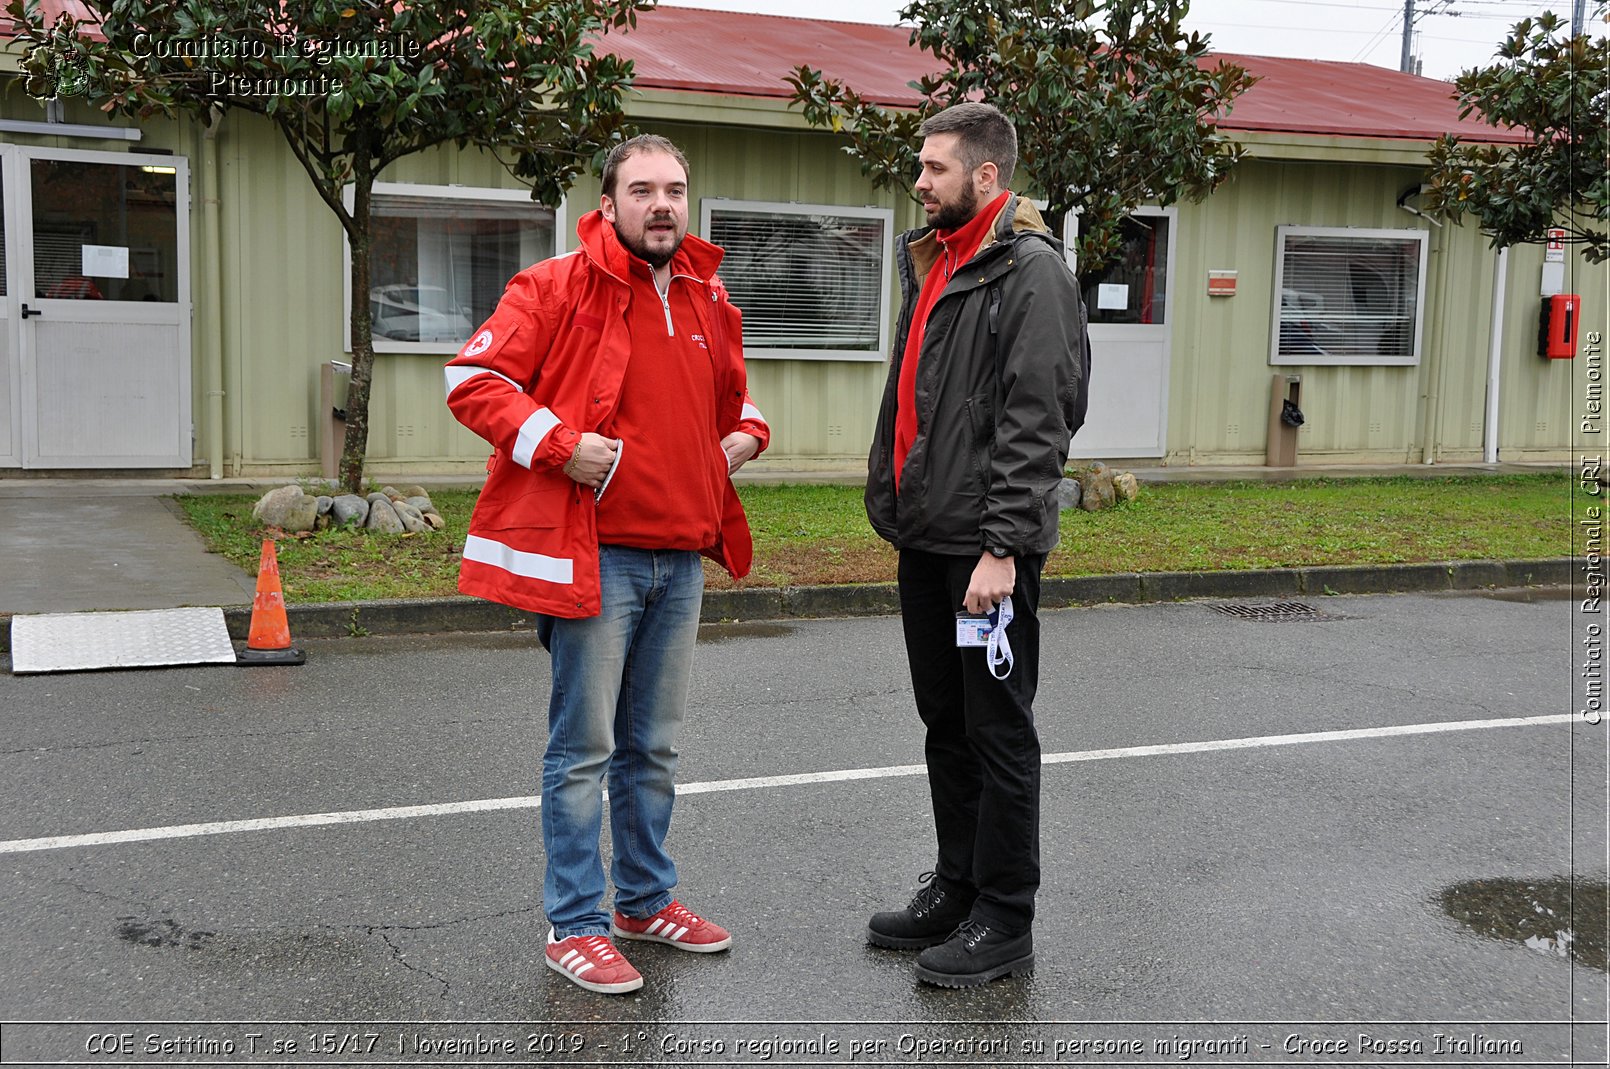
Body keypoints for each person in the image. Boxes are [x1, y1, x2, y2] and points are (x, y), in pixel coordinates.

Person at [445, 133, 770, 995]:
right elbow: (471, 380)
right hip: (596, 559)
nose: (661, 204)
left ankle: (644, 901)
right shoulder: (552, 286)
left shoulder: (706, 292)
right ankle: (576, 923)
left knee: (652, 748)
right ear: (608, 200)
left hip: (681, 558)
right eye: (642, 190)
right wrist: (558, 444)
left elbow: (733, 398)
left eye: (674, 189)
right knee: (583, 749)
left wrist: (746, 435)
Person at [863, 102, 1088, 988]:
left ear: (985, 177)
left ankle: (1005, 915)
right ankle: (956, 886)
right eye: (921, 167)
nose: (919, 181)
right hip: (930, 538)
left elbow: (1040, 419)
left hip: (985, 552)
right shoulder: (944, 258)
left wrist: (1002, 548)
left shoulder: (1030, 273)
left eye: (935, 168)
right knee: (945, 725)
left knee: (998, 733)